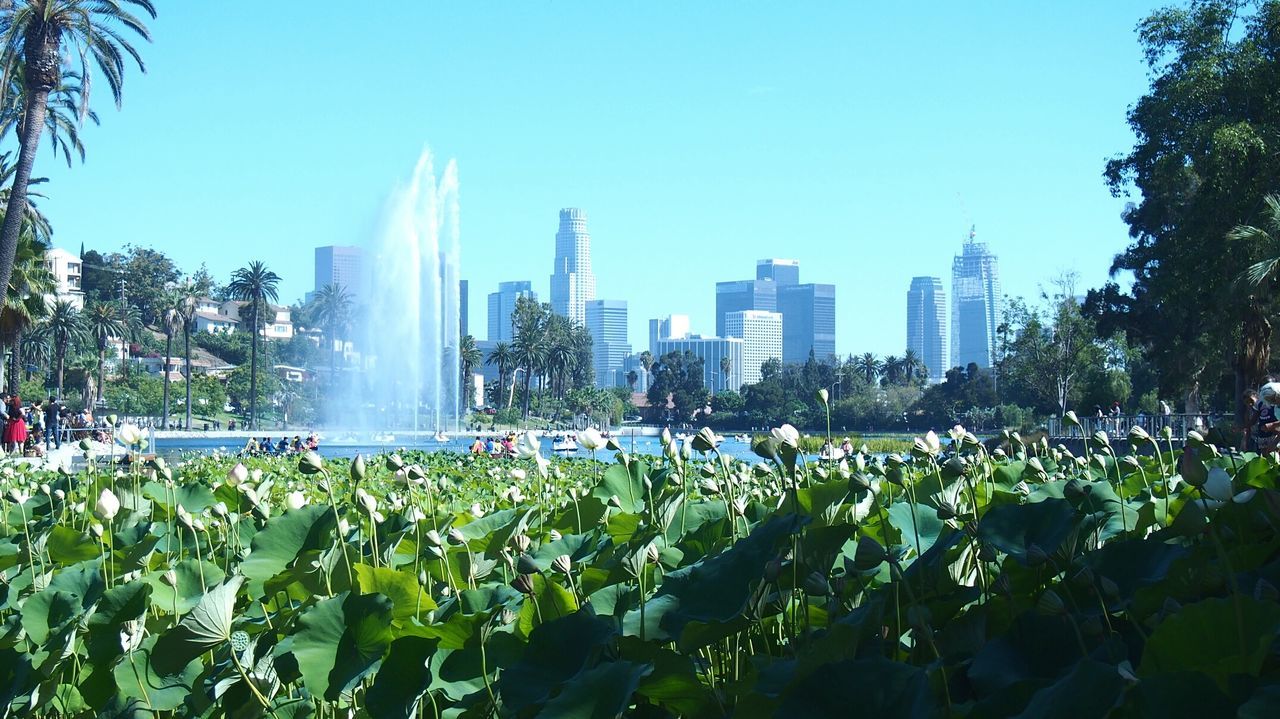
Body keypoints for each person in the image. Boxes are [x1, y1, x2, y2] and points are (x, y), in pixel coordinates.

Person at [1254, 382, 1280, 453]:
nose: (1273, 402)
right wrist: (1274, 443)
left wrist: (1273, 425)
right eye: (1270, 400)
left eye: (1273, 398)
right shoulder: (1276, 409)